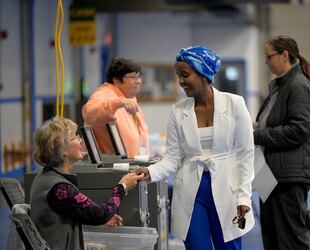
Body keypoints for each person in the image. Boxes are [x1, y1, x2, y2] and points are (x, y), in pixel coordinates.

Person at [136, 46, 255, 250]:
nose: (180, 81)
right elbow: (173, 158)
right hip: (192, 191)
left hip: (228, 188)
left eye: (185, 75)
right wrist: (150, 172)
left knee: (228, 247)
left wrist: (244, 196)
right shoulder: (177, 111)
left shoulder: (234, 104)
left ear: (203, 73)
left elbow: (245, 154)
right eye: (178, 75)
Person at [30, 117, 144, 249]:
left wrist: (97, 221)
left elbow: (66, 216)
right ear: (62, 149)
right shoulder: (59, 188)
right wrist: (122, 187)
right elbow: (101, 214)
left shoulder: (46, 178)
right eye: (75, 137)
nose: (80, 141)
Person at [253, 35, 310, 250]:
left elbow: (298, 131)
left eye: (269, 56)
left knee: (290, 240)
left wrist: (256, 136)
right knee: (272, 238)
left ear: (284, 55)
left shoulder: (298, 86)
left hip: (289, 177)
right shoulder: (280, 86)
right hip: (271, 175)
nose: (266, 62)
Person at [82, 57, 149, 158]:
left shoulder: (129, 98)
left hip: (133, 164)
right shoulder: (105, 94)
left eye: (139, 77)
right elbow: (89, 113)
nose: (138, 81)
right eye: (133, 77)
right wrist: (118, 103)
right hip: (112, 168)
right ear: (117, 80)